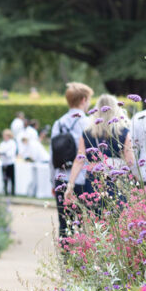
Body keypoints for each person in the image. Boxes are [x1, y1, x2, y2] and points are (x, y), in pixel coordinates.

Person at [64, 94, 135, 214]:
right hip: (117, 181)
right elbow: (130, 161)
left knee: (97, 217)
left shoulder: (87, 133)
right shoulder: (123, 132)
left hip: (94, 181)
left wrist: (70, 185)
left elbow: (79, 160)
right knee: (118, 219)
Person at [50, 82, 93, 239]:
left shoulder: (58, 123)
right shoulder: (88, 123)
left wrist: (52, 181)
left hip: (61, 178)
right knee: (83, 223)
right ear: (83, 99)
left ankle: (66, 258)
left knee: (64, 223)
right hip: (82, 179)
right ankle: (82, 259)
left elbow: (51, 156)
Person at [0, 130, 18, 196]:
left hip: (10, 162)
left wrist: (4, 153)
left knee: (12, 178)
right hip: (4, 163)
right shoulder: (3, 143)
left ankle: (13, 192)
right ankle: (5, 191)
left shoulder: (12, 143)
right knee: (5, 178)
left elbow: (11, 153)